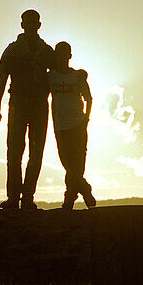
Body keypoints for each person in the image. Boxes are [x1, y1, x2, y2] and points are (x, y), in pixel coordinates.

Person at [0, 9, 54, 210]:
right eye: (27, 22)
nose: (30, 25)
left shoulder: (46, 52)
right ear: (22, 25)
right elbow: (2, 80)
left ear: (39, 25)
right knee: (14, 153)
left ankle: (27, 197)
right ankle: (13, 197)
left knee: (36, 153)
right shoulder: (11, 51)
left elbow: (58, 74)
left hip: (39, 104)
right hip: (18, 103)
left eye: (33, 22)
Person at [49, 41, 96, 210]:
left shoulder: (77, 76)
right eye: (59, 54)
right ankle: (84, 189)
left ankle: (69, 197)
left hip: (78, 125)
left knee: (77, 164)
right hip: (60, 127)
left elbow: (89, 98)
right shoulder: (51, 76)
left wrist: (86, 119)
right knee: (67, 163)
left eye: (65, 54)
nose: (62, 57)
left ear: (69, 56)